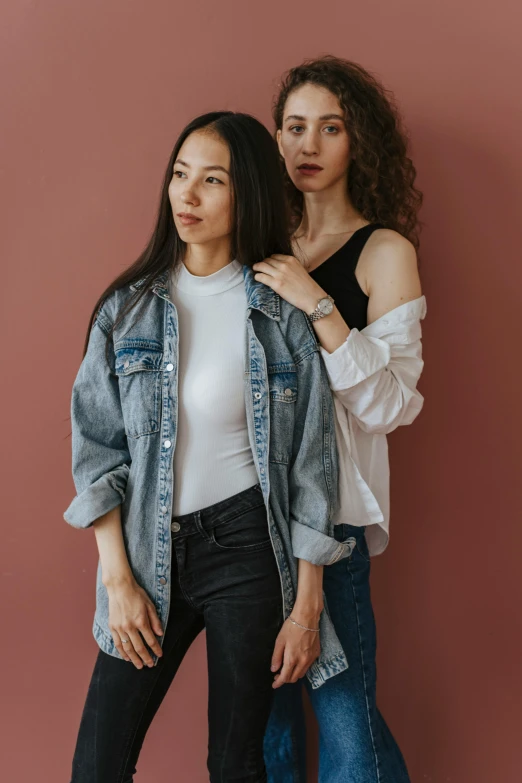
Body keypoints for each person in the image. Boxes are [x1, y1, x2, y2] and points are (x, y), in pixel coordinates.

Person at [64, 110, 354, 783]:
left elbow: (312, 467)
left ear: (246, 190)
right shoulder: (126, 309)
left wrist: (307, 604)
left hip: (248, 550)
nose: (186, 195)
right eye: (179, 174)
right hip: (147, 550)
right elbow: (98, 452)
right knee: (96, 766)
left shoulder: (280, 315)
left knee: (233, 762)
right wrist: (117, 579)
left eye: (212, 180)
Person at [258, 57, 426, 783]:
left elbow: (391, 404)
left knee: (345, 718)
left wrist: (315, 302)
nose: (309, 144)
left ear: (359, 142)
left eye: (331, 128)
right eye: (295, 127)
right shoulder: (255, 241)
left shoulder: (384, 251)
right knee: (267, 729)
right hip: (248, 512)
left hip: (333, 516)